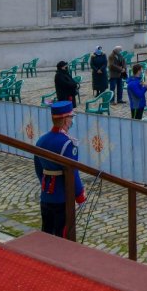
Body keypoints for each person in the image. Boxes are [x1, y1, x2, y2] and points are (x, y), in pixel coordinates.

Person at [34, 101, 85, 238]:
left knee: (47, 232)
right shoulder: (68, 143)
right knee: (63, 235)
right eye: (71, 118)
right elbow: (73, 173)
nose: (72, 121)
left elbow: (38, 169)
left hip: (46, 193)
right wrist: (79, 195)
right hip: (62, 196)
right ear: (65, 120)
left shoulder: (41, 140)